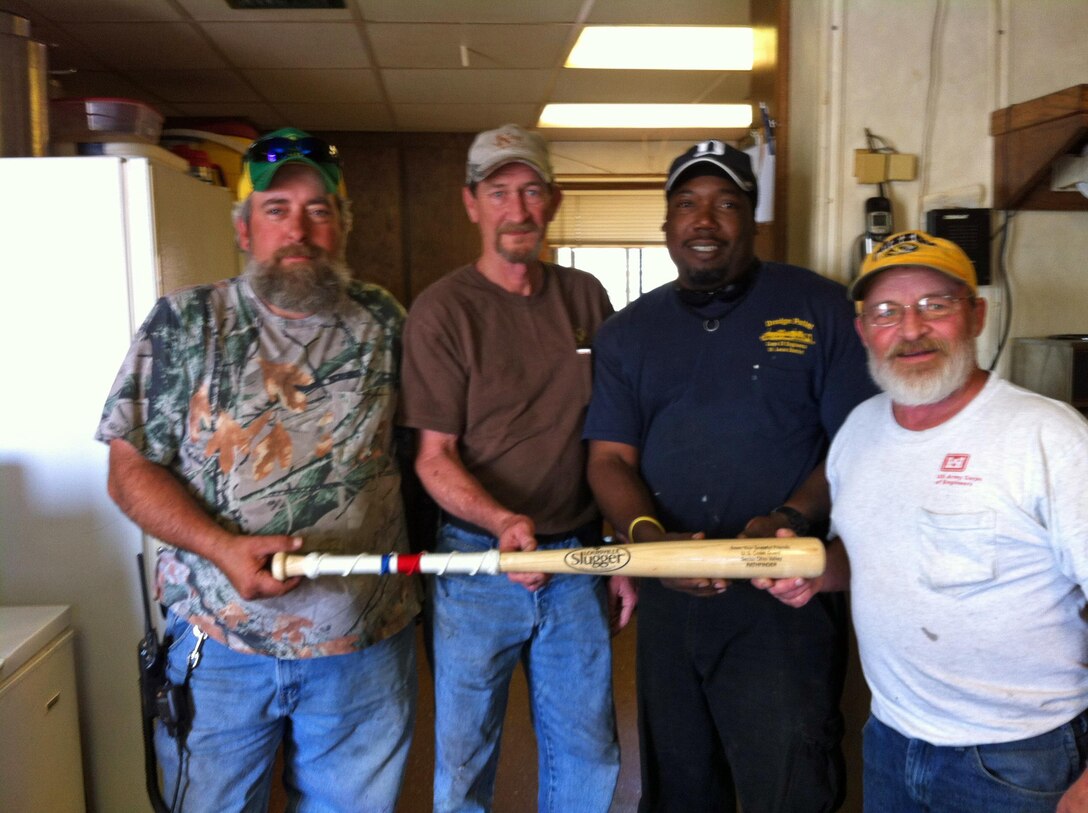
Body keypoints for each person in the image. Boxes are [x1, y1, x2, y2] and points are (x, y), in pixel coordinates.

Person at [96, 128, 422, 812]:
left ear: (343, 228)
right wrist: (222, 547)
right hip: (218, 647)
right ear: (244, 229)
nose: (298, 229)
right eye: (277, 209)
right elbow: (128, 470)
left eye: (319, 210)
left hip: (361, 647)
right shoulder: (184, 324)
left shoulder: (388, 322)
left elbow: (431, 452)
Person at [584, 139, 877, 812]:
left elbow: (856, 442)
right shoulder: (629, 332)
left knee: (789, 784)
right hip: (672, 604)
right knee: (681, 785)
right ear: (665, 226)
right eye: (687, 204)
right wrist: (652, 541)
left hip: (784, 598)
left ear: (752, 218)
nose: (704, 220)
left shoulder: (821, 307)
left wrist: (792, 517)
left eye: (725, 203)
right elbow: (608, 459)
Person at [759, 230, 1088, 813]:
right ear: (864, 331)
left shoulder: (1049, 438)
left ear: (976, 314)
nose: (910, 330)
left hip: (1019, 758)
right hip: (890, 741)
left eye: (935, 305)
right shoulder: (859, 430)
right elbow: (867, 552)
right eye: (886, 312)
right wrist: (817, 573)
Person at [399, 123, 631, 813]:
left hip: (578, 560)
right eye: (499, 191)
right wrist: (502, 523)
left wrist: (619, 542)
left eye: (531, 190)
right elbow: (432, 458)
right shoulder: (443, 311)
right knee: (465, 756)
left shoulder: (587, 298)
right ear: (471, 203)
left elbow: (612, 435)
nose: (518, 208)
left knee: (589, 752)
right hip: (476, 567)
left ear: (553, 202)